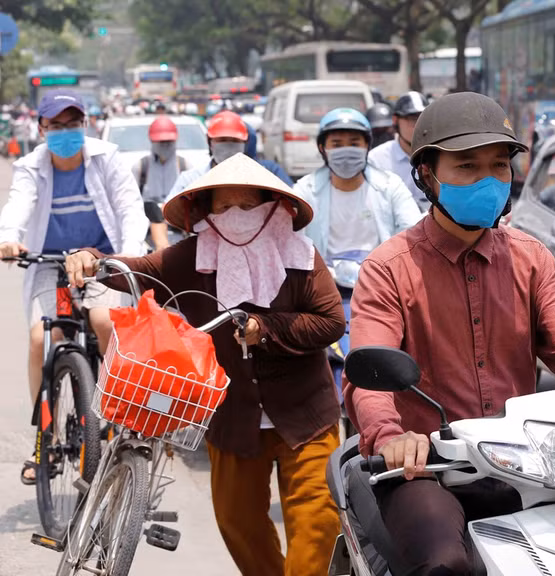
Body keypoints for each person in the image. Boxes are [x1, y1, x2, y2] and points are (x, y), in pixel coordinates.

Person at [344, 92, 555, 576]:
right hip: (428, 467)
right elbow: (371, 371)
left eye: (498, 165)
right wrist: (392, 436)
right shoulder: (389, 268)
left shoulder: (531, 258)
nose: (487, 179)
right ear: (427, 174)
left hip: (525, 461)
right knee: (444, 564)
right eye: (467, 166)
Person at [64, 153, 345, 576]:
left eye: (248, 207)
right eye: (223, 207)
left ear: (273, 209)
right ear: (206, 213)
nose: (236, 217)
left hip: (306, 416)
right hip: (232, 419)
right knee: (238, 524)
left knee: (318, 526)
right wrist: (90, 260)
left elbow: (331, 322)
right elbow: (138, 270)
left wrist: (266, 328)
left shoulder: (301, 257)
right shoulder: (192, 256)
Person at [0, 89, 148, 485]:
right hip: (50, 263)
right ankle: (43, 439)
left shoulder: (107, 157)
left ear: (85, 125)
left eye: (73, 124)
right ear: (42, 128)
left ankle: (115, 415)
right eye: (57, 125)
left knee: (103, 322)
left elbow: (130, 209)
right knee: (40, 339)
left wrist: (130, 255)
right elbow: (18, 206)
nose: (66, 132)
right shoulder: (31, 166)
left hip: (100, 261)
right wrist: (9, 238)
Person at [294, 108, 422, 260]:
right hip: (324, 280)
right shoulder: (305, 191)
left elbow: (413, 231)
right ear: (322, 149)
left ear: (367, 146)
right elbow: (293, 240)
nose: (346, 151)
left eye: (354, 144)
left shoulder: (390, 186)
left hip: (379, 277)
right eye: (337, 144)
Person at [133, 115, 190, 250]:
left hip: (179, 232)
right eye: (161, 142)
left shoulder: (185, 166)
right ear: (152, 141)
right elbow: (131, 204)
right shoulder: (141, 167)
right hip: (147, 236)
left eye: (168, 142)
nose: (165, 146)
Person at [367, 91, 430, 211]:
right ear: (395, 120)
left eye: (423, 119)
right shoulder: (376, 159)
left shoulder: (441, 155)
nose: (419, 125)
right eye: (412, 119)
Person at [166, 110, 247, 202]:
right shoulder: (190, 180)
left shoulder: (257, 180)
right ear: (210, 142)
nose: (228, 145)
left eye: (234, 141)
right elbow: (168, 210)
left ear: (244, 144)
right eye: (222, 140)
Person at [242, 121, 293, 186]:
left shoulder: (269, 168)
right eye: (224, 140)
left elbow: (289, 191)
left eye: (235, 140)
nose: (229, 145)